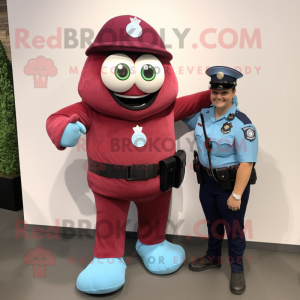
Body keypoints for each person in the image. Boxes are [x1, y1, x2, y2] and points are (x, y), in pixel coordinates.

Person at [182, 66, 258, 295]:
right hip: (207, 183)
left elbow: (247, 164)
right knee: (213, 224)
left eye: (224, 92)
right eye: (215, 91)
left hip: (231, 187)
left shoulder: (242, 124)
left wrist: (236, 195)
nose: (219, 96)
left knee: (234, 229)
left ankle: (237, 268)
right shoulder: (202, 116)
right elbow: (180, 110)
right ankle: (213, 257)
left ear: (234, 92)